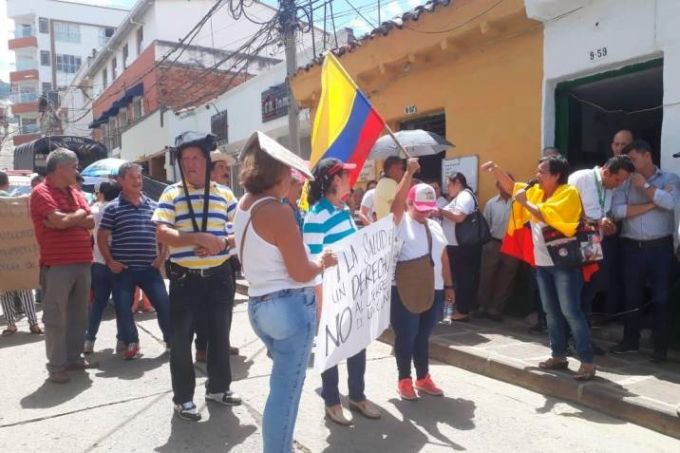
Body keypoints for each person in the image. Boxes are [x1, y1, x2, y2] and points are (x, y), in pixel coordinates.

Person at [233, 131, 337, 453]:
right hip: (289, 307)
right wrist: (322, 261)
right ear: (277, 173)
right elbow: (301, 271)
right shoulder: (277, 211)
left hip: (259, 306)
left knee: (281, 388)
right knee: (285, 392)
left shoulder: (245, 204)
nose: (294, 179)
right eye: (289, 173)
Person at [482, 156, 596, 380]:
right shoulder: (536, 192)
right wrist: (496, 169)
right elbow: (513, 187)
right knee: (551, 312)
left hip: (564, 264)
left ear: (556, 175)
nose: (538, 175)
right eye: (538, 171)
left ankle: (587, 361)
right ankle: (558, 355)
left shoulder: (568, 193)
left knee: (571, 311)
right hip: (542, 263)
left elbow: (548, 215)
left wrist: (525, 203)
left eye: (543, 171)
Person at [153, 132, 241, 421]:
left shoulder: (225, 194)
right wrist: (197, 238)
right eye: (185, 158)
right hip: (184, 278)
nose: (190, 164)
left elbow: (240, 232)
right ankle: (183, 399)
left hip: (219, 276)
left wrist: (221, 243)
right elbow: (162, 231)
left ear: (206, 160)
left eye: (195, 158)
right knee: (181, 340)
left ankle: (218, 388)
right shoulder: (172, 193)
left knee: (219, 334)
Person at [303, 158, 381, 426]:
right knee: (332, 350)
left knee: (357, 345)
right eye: (346, 175)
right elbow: (313, 263)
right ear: (335, 180)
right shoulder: (316, 216)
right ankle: (332, 402)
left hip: (353, 291)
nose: (352, 178)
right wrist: (321, 303)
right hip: (330, 294)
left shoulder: (344, 209)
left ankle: (357, 396)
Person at [30, 148, 97, 384]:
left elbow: (89, 220)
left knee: (79, 314)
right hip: (57, 264)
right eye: (74, 166)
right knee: (56, 317)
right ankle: (56, 365)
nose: (76, 171)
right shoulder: (41, 192)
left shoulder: (75, 192)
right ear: (60, 168)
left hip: (82, 261)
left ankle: (73, 357)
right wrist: (73, 218)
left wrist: (71, 217)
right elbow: (58, 222)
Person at [610, 140, 680, 362]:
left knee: (661, 298)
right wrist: (652, 203)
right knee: (632, 296)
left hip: (661, 247)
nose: (629, 164)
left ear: (647, 156)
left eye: (633, 159)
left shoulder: (670, 179)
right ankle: (630, 341)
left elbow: (670, 203)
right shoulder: (624, 182)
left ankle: (660, 348)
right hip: (632, 247)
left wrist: (646, 188)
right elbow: (617, 211)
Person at [390, 159, 454, 400]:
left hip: (434, 289)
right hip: (405, 289)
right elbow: (395, 203)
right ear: (409, 203)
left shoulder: (435, 226)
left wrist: (449, 285)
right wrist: (408, 172)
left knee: (423, 335)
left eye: (428, 208)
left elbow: (444, 258)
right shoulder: (400, 222)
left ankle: (423, 377)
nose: (424, 212)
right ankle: (404, 379)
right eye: (419, 208)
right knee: (406, 335)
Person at [98, 162, 171, 360]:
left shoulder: (154, 206)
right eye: (132, 177)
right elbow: (102, 237)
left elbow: (163, 234)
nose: (137, 181)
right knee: (123, 307)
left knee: (164, 304)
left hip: (150, 269)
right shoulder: (112, 208)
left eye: (139, 177)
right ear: (120, 181)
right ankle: (132, 342)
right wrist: (110, 261)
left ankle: (172, 342)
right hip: (124, 270)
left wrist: (161, 257)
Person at [568, 156, 634, 322]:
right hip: (575, 245)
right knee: (573, 293)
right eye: (618, 180)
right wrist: (597, 221)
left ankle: (583, 337)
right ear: (606, 172)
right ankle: (568, 337)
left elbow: (603, 213)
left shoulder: (610, 188)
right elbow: (567, 211)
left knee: (589, 293)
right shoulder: (581, 178)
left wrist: (608, 223)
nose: (619, 185)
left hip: (595, 246)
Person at [194, 150, 239, 362]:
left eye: (226, 167)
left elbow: (240, 225)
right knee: (202, 307)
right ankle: (202, 346)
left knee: (225, 305)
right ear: (209, 171)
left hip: (226, 258)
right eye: (221, 167)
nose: (226, 171)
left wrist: (228, 242)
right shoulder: (195, 195)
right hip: (199, 260)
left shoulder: (228, 195)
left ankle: (222, 342)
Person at [0, 171, 42, 336]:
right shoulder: (16, 202)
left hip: (2, 255)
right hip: (20, 253)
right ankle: (33, 323)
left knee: (4, 289)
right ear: (7, 184)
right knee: (25, 287)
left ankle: (11, 324)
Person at [84, 181, 122, 354]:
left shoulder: (94, 211)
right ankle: (122, 340)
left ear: (101, 193)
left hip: (99, 262)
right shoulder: (121, 209)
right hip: (120, 263)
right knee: (123, 303)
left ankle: (89, 339)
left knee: (98, 303)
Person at [476, 179, 520, 322]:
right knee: (486, 276)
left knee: (506, 278)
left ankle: (496, 309)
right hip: (493, 243)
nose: (505, 186)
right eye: (502, 183)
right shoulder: (491, 203)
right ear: (497, 186)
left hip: (512, 245)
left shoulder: (519, 202)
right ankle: (482, 307)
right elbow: (486, 224)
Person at [440, 173, 482, 321]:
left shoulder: (465, 196)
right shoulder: (459, 197)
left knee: (461, 278)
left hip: (461, 246)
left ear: (457, 183)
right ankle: (453, 308)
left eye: (449, 185)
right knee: (455, 278)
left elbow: (459, 217)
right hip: (454, 245)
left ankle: (462, 310)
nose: (448, 188)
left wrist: (440, 211)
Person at [283, 167, 305, 232]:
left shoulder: (300, 205)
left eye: (302, 185)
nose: (302, 188)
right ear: (289, 187)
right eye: (299, 185)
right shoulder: (283, 209)